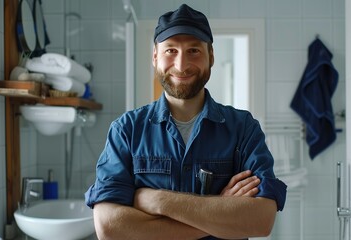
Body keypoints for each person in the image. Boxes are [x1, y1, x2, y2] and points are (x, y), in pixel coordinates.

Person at [85, 4, 287, 240]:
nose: (181, 65)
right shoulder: (126, 130)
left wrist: (157, 200)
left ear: (211, 56)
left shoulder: (243, 128)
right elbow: (109, 227)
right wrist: (220, 213)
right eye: (171, 50)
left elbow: (261, 220)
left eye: (193, 51)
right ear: (155, 56)